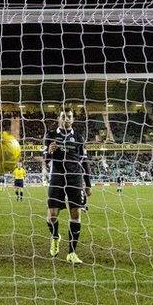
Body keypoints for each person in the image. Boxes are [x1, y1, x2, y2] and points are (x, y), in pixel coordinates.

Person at [44, 107, 92, 264]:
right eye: (63, 116)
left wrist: (88, 183)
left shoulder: (78, 136)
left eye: (69, 116)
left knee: (76, 215)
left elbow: (84, 161)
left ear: (73, 119)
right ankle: (55, 236)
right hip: (57, 177)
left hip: (75, 178)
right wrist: (49, 152)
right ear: (59, 118)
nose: (66, 119)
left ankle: (72, 253)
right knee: (52, 216)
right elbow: (45, 160)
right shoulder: (50, 135)